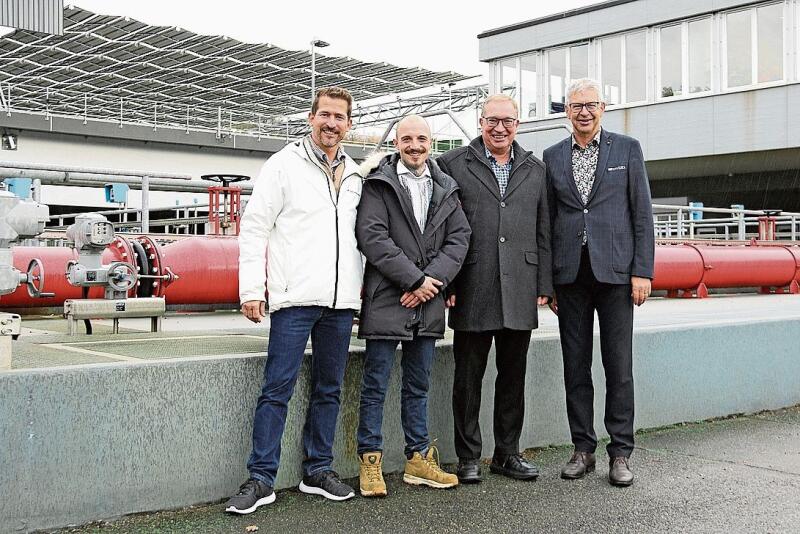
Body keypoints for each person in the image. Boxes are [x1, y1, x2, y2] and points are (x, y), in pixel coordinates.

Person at [226, 87, 364, 514]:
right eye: (324, 114)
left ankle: (317, 470)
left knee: (330, 388)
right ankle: (261, 478)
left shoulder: (355, 174)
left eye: (339, 117)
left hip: (340, 303)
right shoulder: (283, 166)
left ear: (349, 124)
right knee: (277, 388)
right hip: (294, 299)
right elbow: (254, 228)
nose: (331, 123)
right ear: (310, 118)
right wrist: (252, 289)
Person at [542, 78, 655, 487]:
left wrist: (642, 270)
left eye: (590, 105)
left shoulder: (627, 149)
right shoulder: (552, 157)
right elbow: (547, 223)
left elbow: (642, 213)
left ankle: (620, 452)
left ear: (603, 108)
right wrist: (548, 281)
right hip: (570, 277)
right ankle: (583, 449)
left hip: (617, 276)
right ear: (566, 113)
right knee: (575, 366)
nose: (584, 112)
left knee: (618, 367)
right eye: (576, 106)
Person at [436, 94, 553, 484]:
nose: (499, 128)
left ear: (518, 124)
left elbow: (544, 230)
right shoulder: (451, 165)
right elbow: (442, 229)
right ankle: (468, 456)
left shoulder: (536, 169)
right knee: (468, 378)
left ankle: (507, 453)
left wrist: (545, 283)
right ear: (480, 121)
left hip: (520, 285)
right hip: (473, 284)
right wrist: (447, 280)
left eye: (508, 121)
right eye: (492, 121)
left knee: (512, 377)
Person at [355, 115, 471, 497]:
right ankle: (370, 462)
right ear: (397, 143)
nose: (415, 146)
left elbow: (459, 239)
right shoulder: (378, 184)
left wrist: (428, 284)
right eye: (408, 139)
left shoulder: (446, 187)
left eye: (422, 139)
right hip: (388, 298)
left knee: (417, 385)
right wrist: (415, 281)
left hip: (428, 302)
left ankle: (418, 459)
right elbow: (372, 237)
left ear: (430, 142)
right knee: (375, 385)